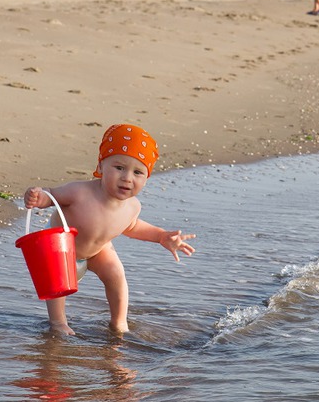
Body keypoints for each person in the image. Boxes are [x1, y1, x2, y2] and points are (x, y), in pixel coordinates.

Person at [24, 124, 196, 336]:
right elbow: (50, 196)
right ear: (101, 165)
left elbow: (132, 227)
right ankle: (58, 322)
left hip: (98, 250)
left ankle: (118, 322)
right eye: (119, 168)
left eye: (138, 172)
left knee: (116, 274)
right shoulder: (80, 192)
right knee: (56, 284)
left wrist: (161, 236)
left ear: (146, 177)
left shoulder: (133, 206)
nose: (127, 178)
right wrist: (37, 197)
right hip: (61, 249)